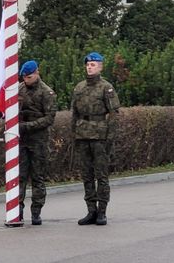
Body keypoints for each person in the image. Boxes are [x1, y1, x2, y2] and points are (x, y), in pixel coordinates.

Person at [71, 52, 120, 226]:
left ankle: (102, 211)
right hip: (83, 135)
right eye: (88, 64)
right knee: (87, 175)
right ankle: (91, 210)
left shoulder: (106, 88)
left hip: (100, 136)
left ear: (100, 67)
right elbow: (74, 113)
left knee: (101, 175)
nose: (90, 67)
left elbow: (114, 114)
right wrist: (74, 135)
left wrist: (110, 138)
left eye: (93, 64)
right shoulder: (79, 87)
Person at [18, 60, 57, 225]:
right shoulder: (19, 89)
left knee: (38, 177)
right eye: (25, 77)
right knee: (19, 177)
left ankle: (36, 212)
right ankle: (16, 210)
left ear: (37, 73)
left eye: (29, 76)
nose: (27, 79)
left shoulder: (46, 93)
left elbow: (49, 118)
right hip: (21, 140)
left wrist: (28, 126)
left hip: (38, 140)